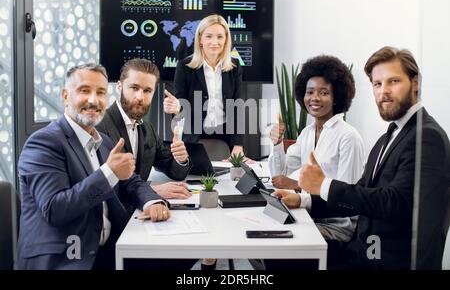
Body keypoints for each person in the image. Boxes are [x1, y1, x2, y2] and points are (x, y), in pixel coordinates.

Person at [282, 46, 450, 269]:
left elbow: (395, 203)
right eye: (377, 84)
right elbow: (361, 194)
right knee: (280, 250)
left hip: (385, 262)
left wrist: (323, 185)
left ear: (415, 83)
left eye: (394, 81)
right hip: (365, 251)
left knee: (286, 257)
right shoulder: (388, 137)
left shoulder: (427, 136)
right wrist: (303, 200)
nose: (384, 92)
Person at [17, 63, 170, 270]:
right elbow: (55, 209)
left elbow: (133, 182)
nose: (94, 100)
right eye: (84, 91)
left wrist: (152, 202)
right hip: (67, 257)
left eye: (100, 92)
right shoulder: (43, 143)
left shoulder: (104, 141)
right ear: (65, 95)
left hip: (107, 249)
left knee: (182, 253)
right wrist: (109, 173)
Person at [268, 55, 365, 243]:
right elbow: (280, 176)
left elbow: (346, 198)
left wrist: (298, 185)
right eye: (310, 92)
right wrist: (277, 143)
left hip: (336, 226)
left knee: (277, 244)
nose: (314, 98)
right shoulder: (307, 133)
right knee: (260, 236)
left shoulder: (348, 137)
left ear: (337, 97)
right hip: (309, 215)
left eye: (324, 92)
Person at [96, 58, 192, 204]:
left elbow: (175, 173)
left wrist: (181, 159)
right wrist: (151, 191)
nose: (140, 97)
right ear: (119, 87)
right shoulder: (100, 126)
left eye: (147, 90)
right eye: (134, 88)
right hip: (115, 220)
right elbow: (100, 186)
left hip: (143, 212)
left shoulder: (148, 129)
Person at [163, 14, 250, 160]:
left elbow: (237, 107)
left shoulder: (235, 66)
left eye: (220, 37)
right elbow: (181, 104)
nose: (214, 42)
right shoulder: (184, 66)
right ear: (200, 39)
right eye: (209, 36)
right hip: (194, 133)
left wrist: (238, 145)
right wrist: (178, 107)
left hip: (227, 133)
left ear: (226, 39)